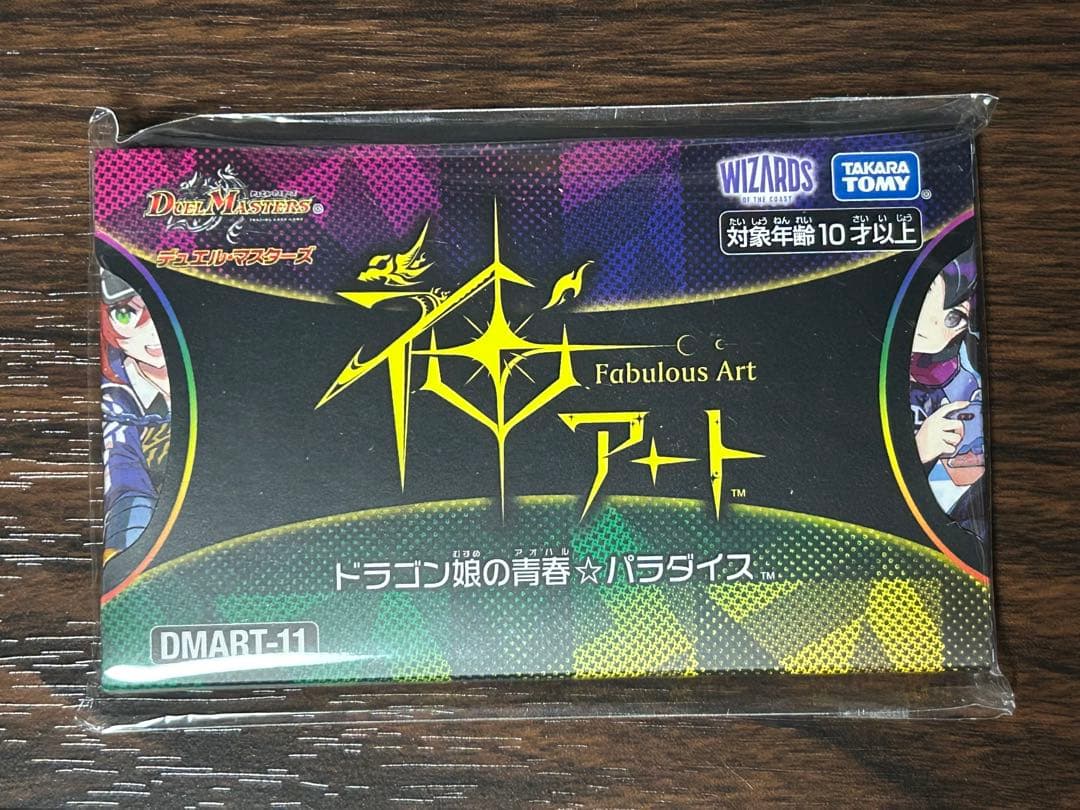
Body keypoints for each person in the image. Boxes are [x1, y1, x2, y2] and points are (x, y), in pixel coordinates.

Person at [909, 255, 987, 541]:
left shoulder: (957, 376)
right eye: (925, 298)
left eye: (953, 317)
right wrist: (920, 450)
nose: (929, 325)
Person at [100, 268, 171, 562]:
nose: (153, 331)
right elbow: (122, 470)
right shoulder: (117, 397)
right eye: (127, 313)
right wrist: (127, 544)